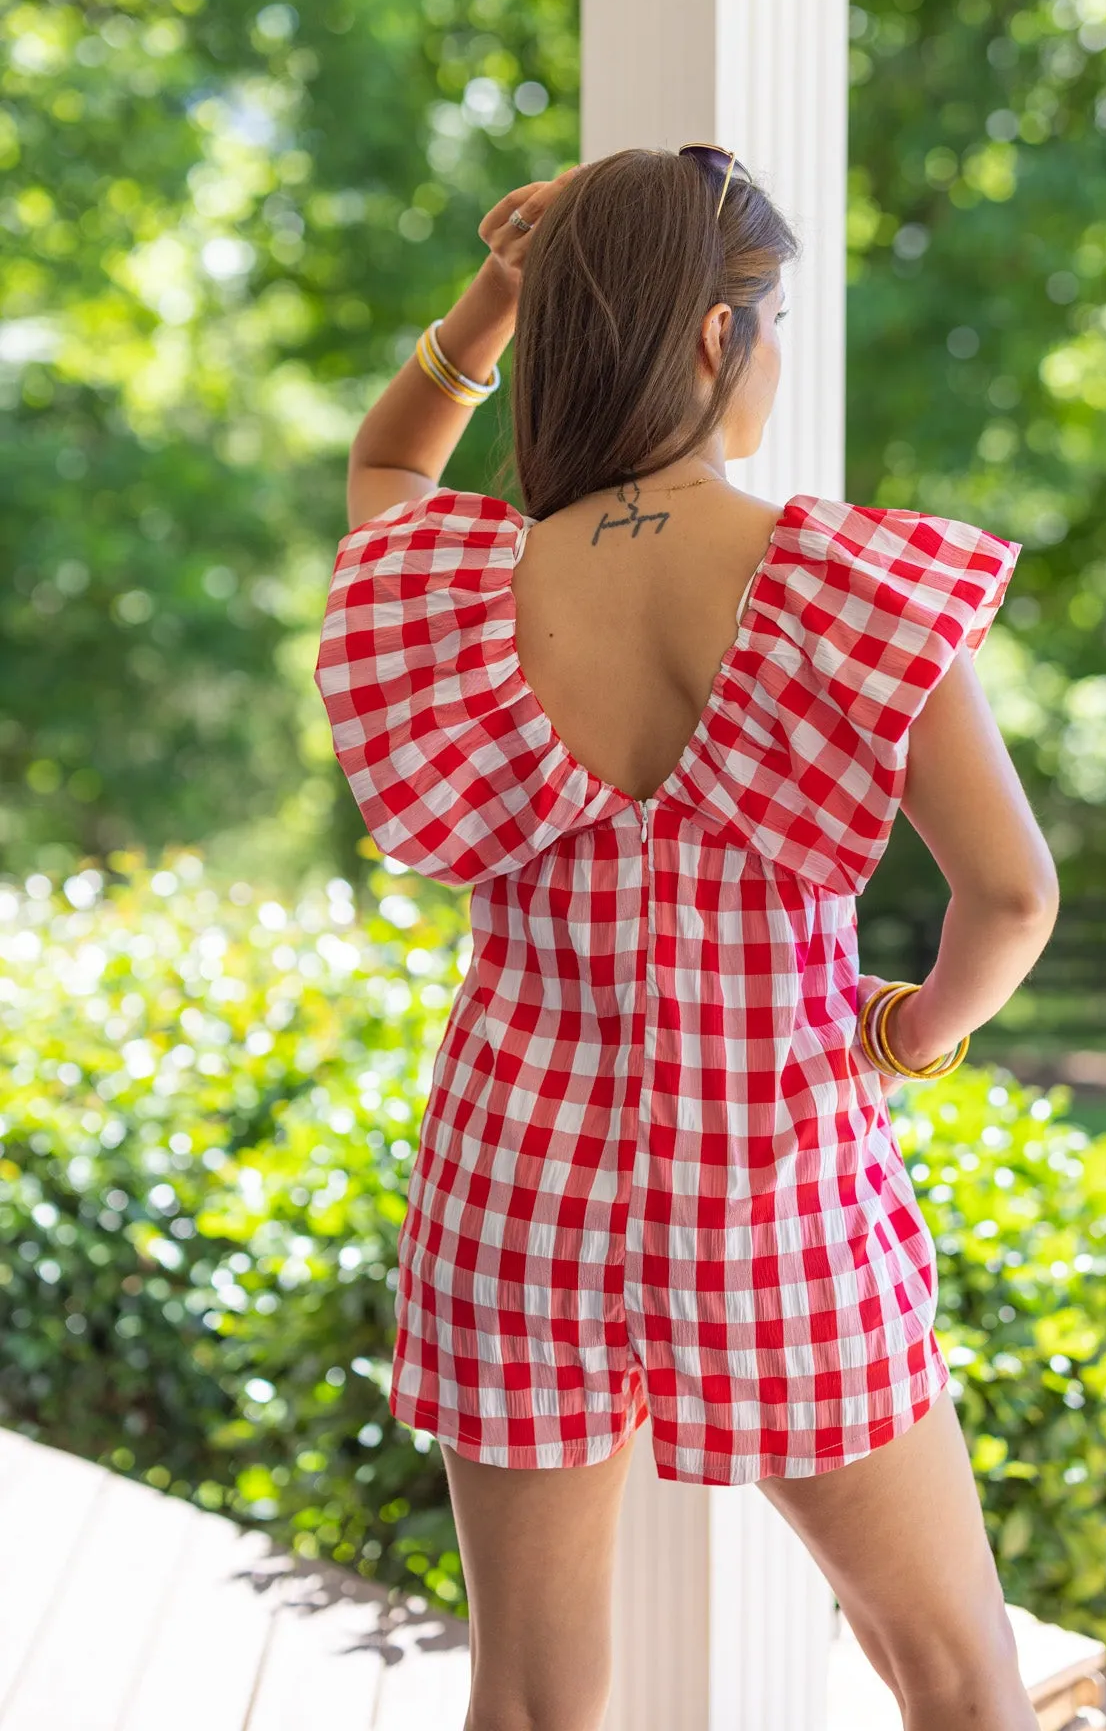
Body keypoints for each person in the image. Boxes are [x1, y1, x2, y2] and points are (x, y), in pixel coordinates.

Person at [314, 146, 1059, 1731]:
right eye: (770, 317)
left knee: (525, 1698)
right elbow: (1010, 901)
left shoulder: (460, 590)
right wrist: (905, 1034)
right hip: (776, 1187)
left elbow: (384, 475)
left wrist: (496, 297)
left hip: (513, 1191)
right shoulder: (848, 589)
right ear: (720, 337)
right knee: (952, 1672)